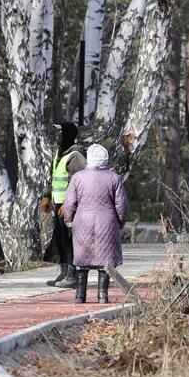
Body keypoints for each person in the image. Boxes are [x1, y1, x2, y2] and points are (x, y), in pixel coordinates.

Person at [60, 143, 128, 303]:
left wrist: (69, 220)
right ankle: (103, 296)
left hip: (83, 221)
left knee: (82, 261)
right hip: (107, 221)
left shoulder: (78, 178)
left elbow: (69, 202)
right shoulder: (114, 177)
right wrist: (121, 221)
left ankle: (80, 296)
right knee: (105, 260)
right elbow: (122, 205)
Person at [41, 122, 86, 288]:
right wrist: (46, 196)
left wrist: (68, 204)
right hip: (57, 205)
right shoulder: (60, 154)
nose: (56, 136)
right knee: (60, 240)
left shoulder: (75, 155)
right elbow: (53, 178)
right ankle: (63, 273)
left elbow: (78, 182)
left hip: (69, 207)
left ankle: (73, 276)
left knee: (69, 241)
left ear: (67, 134)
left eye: (59, 132)